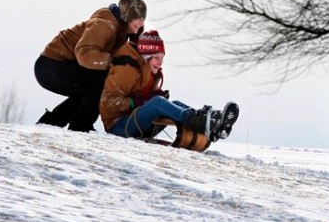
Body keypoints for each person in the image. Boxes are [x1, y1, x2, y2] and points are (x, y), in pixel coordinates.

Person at [100, 29, 239, 144]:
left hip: (139, 123)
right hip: (118, 126)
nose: (160, 63)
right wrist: (137, 102)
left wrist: (149, 99)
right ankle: (203, 123)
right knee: (158, 103)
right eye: (156, 58)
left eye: (162, 58)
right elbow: (106, 103)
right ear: (147, 57)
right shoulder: (127, 69)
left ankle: (213, 124)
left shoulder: (152, 74)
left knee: (174, 104)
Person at [34, 0, 147, 132]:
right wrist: (112, 60)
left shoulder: (122, 31)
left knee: (88, 88)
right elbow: (84, 52)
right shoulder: (104, 25)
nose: (140, 23)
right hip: (52, 65)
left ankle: (52, 124)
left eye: (142, 19)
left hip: (68, 65)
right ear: (126, 16)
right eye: (136, 18)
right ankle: (80, 125)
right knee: (97, 83)